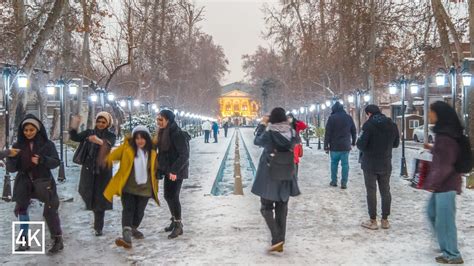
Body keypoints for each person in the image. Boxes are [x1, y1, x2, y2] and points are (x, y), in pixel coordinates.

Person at [6, 114, 64, 254]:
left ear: (37, 129)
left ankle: (57, 239)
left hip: (43, 180)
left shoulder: (47, 144)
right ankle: (24, 241)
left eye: (31, 130)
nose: (28, 133)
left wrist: (42, 160)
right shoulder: (18, 145)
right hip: (24, 181)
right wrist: (11, 157)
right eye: (26, 130)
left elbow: (55, 162)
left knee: (50, 210)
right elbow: (11, 169)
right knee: (22, 210)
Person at [252, 107, 300, 253]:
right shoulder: (291, 132)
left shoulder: (269, 133)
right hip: (286, 172)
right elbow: (297, 140)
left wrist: (262, 124)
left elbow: (257, 140)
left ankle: (277, 238)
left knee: (266, 207)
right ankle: (280, 241)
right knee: (282, 206)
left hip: (270, 172)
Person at [104, 125, 159, 249]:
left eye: (143, 138)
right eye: (137, 138)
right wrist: (105, 160)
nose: (140, 141)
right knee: (128, 210)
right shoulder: (127, 149)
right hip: (128, 187)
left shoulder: (152, 152)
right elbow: (112, 156)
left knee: (139, 212)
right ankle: (127, 236)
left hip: (145, 189)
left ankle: (133, 228)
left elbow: (157, 167)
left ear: (147, 139)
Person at [423, 101, 464, 264]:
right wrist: (432, 148)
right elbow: (444, 154)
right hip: (443, 184)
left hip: (446, 185)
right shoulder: (443, 134)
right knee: (432, 213)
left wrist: (432, 183)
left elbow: (445, 164)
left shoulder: (446, 136)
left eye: (431, 112)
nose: (429, 115)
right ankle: (446, 246)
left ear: (438, 114)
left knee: (445, 220)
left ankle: (453, 254)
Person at [69, 112, 117, 236]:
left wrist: (99, 141)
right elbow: (75, 138)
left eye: (103, 122)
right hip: (89, 169)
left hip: (103, 171)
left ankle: (98, 226)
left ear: (108, 124)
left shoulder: (111, 135)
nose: (100, 124)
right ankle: (91, 207)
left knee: (100, 199)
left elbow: (109, 145)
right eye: (98, 121)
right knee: (87, 191)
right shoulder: (89, 133)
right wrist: (74, 126)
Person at [356, 105, 399, 230]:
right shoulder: (392, 124)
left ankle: (373, 220)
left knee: (371, 191)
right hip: (386, 162)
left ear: (369, 113)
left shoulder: (368, 126)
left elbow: (361, 145)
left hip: (370, 163)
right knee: (385, 191)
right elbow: (396, 144)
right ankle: (385, 220)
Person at [156, 110, 190, 239]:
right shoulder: (164, 132)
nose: (158, 122)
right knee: (167, 196)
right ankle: (174, 220)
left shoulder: (177, 134)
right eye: (158, 119)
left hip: (177, 171)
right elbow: (163, 154)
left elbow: (184, 155)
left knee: (173, 197)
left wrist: (174, 171)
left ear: (168, 120)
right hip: (168, 170)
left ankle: (178, 225)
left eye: (161, 119)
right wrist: (160, 169)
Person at [324, 101, 356, 189]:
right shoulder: (348, 118)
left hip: (334, 146)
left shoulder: (331, 118)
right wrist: (353, 141)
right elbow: (353, 130)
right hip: (345, 146)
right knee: (345, 165)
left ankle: (334, 181)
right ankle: (344, 183)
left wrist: (326, 145)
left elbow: (328, 133)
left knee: (334, 164)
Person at [287, 113, 307, 178]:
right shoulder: (285, 125)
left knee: (295, 160)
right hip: (288, 143)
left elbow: (304, 126)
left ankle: (294, 175)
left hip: (295, 144)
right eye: (288, 118)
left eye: (290, 117)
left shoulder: (296, 124)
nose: (289, 119)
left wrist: (297, 121)